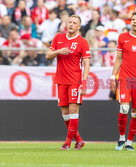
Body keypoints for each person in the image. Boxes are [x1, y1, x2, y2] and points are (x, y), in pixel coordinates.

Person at [46, 15, 91, 150]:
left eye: (74, 23)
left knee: (73, 110)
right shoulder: (58, 38)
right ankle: (79, 140)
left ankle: (67, 143)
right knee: (65, 113)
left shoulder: (82, 42)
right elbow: (48, 55)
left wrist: (84, 81)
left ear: (78, 26)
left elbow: (86, 63)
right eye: (69, 22)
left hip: (75, 80)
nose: (71, 24)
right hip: (61, 79)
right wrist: (59, 51)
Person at [110, 12, 136, 151]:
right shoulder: (122, 37)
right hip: (125, 78)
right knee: (124, 108)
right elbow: (119, 58)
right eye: (133, 19)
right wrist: (112, 76)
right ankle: (121, 138)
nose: (134, 22)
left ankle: (129, 142)